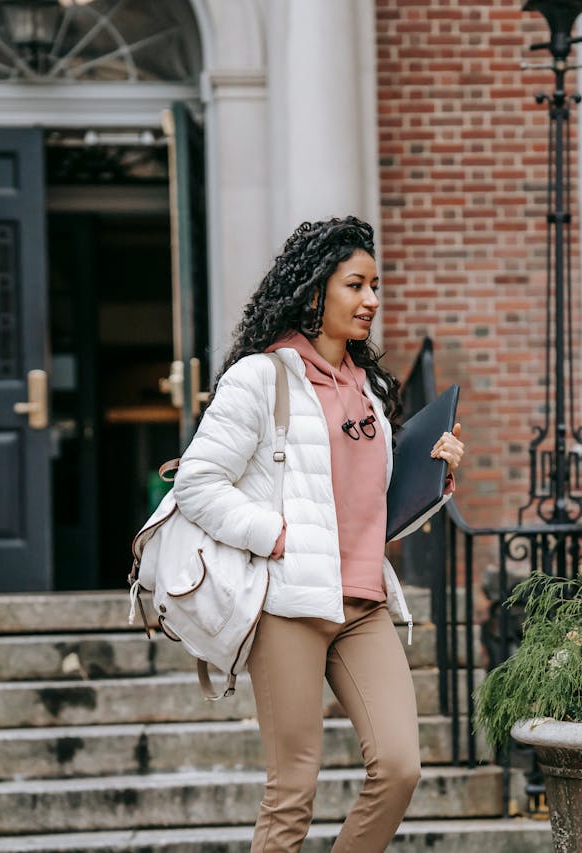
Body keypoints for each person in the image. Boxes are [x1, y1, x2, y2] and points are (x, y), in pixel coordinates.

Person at [172, 216, 464, 852]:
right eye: (356, 285)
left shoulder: (369, 388)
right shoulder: (262, 377)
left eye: (376, 286)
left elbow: (369, 508)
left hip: (362, 603)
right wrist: (275, 535)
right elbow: (196, 483)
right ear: (315, 293)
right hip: (289, 604)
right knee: (292, 792)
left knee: (398, 767)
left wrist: (433, 479)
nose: (372, 301)